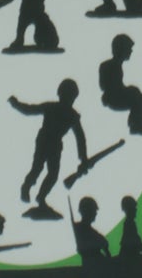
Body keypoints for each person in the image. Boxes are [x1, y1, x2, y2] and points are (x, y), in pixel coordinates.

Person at [9, 80, 88, 218]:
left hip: (56, 144)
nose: (68, 98)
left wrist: (83, 157)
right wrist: (16, 104)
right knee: (37, 168)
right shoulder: (52, 107)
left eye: (71, 96)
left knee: (53, 174)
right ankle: (26, 187)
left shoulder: (72, 115)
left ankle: (41, 197)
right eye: (67, 95)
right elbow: (29, 110)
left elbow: (80, 138)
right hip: (44, 140)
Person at [98, 33, 142, 135]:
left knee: (135, 91)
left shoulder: (114, 65)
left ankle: (136, 121)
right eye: (129, 48)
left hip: (115, 96)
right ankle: (135, 125)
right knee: (137, 96)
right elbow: (107, 87)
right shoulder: (109, 66)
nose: (131, 51)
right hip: (113, 99)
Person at [72, 195, 112, 270]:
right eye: (94, 211)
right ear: (88, 211)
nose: (95, 213)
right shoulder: (81, 228)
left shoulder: (88, 229)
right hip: (94, 266)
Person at [117, 194, 142, 262]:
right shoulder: (129, 224)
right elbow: (132, 243)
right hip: (130, 257)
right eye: (133, 208)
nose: (135, 210)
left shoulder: (130, 223)